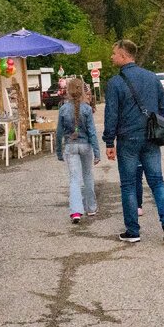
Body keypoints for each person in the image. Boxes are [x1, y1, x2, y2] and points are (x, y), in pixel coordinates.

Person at [103, 39, 164, 245]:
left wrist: (109, 142)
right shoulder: (152, 78)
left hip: (128, 139)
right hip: (151, 137)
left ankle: (133, 231)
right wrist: (155, 124)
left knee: (128, 185)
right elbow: (163, 106)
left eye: (114, 53)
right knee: (157, 181)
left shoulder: (116, 83)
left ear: (124, 56)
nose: (111, 57)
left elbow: (111, 115)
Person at [57, 78, 100, 223]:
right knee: (88, 175)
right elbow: (92, 132)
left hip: (70, 146)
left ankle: (76, 211)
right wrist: (97, 152)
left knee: (74, 179)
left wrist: (58, 151)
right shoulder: (87, 109)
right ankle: (91, 207)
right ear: (82, 91)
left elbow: (59, 133)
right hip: (85, 145)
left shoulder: (63, 109)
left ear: (68, 91)